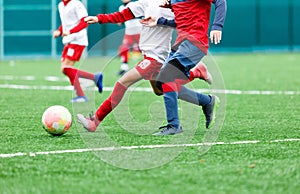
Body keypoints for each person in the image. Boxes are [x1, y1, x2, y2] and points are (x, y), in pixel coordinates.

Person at [76, 0, 212, 132]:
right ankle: (204, 96)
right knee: (161, 90)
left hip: (155, 58)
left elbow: (184, 23)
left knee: (122, 83)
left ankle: (95, 122)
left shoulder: (172, 3)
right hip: (150, 56)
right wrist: (99, 18)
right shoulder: (145, 2)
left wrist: (160, 22)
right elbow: (123, 15)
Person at [147, 0, 227, 135]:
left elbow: (220, 1)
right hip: (180, 43)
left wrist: (217, 26)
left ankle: (174, 126)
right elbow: (182, 21)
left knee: (166, 78)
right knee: (161, 84)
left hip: (194, 43)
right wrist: (160, 21)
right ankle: (207, 101)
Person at [53, 0, 103, 103]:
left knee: (67, 68)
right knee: (64, 69)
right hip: (69, 40)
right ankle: (94, 77)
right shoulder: (61, 5)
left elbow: (84, 22)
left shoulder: (76, 4)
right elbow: (66, 23)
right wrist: (60, 30)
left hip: (77, 40)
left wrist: (70, 32)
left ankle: (81, 95)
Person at [117, 0, 142, 76]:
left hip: (139, 31)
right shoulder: (121, 7)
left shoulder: (133, 4)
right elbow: (120, 21)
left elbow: (132, 16)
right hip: (129, 32)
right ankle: (124, 69)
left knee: (145, 50)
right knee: (123, 49)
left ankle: (153, 68)